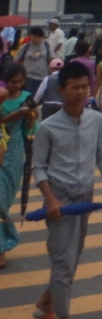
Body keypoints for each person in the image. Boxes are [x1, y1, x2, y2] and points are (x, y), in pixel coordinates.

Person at [32, 60, 102, 319]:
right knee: (63, 262)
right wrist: (50, 200)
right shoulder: (48, 127)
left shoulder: (96, 120)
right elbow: (38, 168)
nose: (81, 92)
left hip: (85, 198)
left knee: (73, 257)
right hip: (59, 201)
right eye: (74, 87)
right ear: (62, 90)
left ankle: (46, 303)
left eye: (84, 86)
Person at [1, 62, 37, 269]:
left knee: (2, 199)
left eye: (20, 81)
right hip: (1, 143)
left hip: (14, 150)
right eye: (13, 81)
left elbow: (31, 127)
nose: (17, 85)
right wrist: (17, 114)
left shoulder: (27, 97)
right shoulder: (1, 96)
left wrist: (31, 114)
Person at [16, 26, 50, 95]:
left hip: (43, 77)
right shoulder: (26, 46)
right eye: (31, 37)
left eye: (35, 37)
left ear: (41, 37)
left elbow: (52, 59)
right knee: (30, 96)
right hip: (29, 77)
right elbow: (16, 60)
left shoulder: (47, 46)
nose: (32, 39)